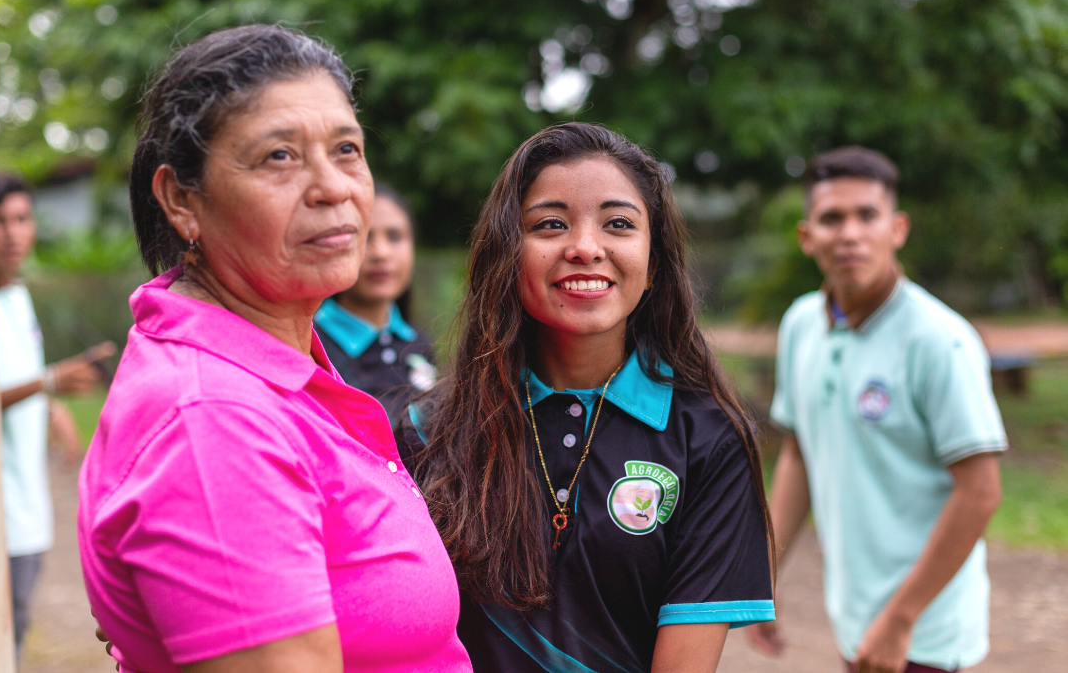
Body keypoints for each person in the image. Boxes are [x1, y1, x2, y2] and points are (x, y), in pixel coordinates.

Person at [77, 25, 471, 673]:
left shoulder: (276, 364)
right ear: (181, 199)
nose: (332, 187)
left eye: (346, 149)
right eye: (278, 157)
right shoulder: (214, 420)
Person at [399, 122, 775, 673]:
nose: (584, 248)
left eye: (618, 224)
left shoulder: (710, 439)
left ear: (654, 264)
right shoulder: (426, 431)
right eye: (550, 224)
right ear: (507, 253)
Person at [745, 147, 1006, 673]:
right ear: (806, 236)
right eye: (831, 218)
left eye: (868, 215)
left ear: (898, 228)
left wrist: (901, 619)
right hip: (855, 616)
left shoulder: (940, 342)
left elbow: (980, 491)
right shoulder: (800, 326)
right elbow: (800, 453)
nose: (849, 233)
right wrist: (760, 581)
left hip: (923, 630)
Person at [0, 171, 115, 655]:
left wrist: (47, 403)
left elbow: (11, 378)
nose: (12, 233)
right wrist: (49, 383)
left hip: (28, 508)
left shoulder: (16, 297)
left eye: (22, 219)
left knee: (13, 636)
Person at [314, 182, 437, 422]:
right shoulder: (311, 346)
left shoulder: (418, 342)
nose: (380, 253)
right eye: (363, 236)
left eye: (395, 236)